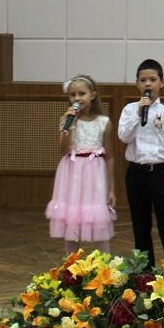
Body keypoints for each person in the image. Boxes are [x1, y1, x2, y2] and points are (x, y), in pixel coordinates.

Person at [118, 58, 164, 269]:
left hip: (161, 173)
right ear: (137, 84)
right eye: (143, 80)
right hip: (136, 174)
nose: (148, 84)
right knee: (140, 225)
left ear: (161, 82)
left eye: (153, 79)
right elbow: (124, 137)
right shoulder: (130, 110)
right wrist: (138, 114)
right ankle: (144, 273)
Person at [45, 74, 116, 254]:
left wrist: (111, 189)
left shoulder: (104, 122)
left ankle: (105, 265)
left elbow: (110, 157)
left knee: (97, 217)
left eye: (82, 94)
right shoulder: (66, 120)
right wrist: (70, 126)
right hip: (72, 174)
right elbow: (63, 150)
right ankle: (72, 264)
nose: (77, 98)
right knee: (72, 218)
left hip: (95, 175)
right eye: (73, 94)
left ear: (92, 95)